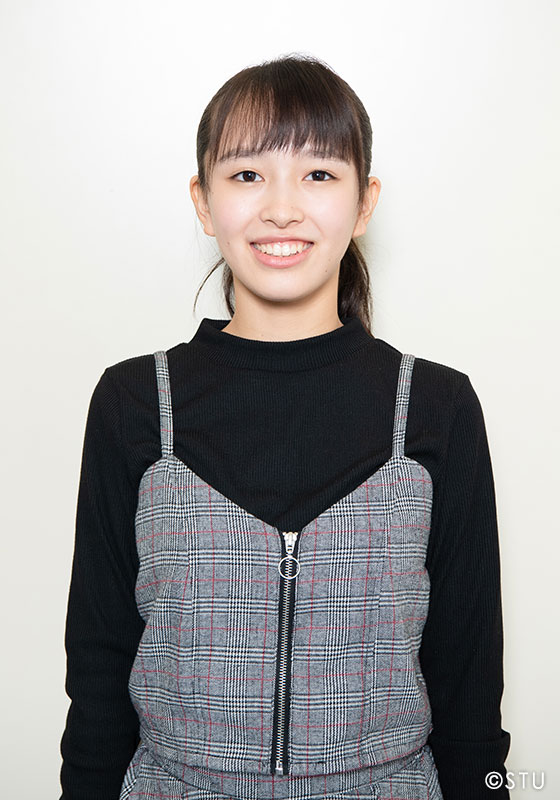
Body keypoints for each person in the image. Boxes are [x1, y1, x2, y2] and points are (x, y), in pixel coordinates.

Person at [59, 54, 511, 800]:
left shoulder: (439, 408)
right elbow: (98, 670)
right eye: (247, 175)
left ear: (364, 204)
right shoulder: (133, 403)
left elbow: (470, 685)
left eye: (318, 174)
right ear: (203, 201)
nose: (281, 208)